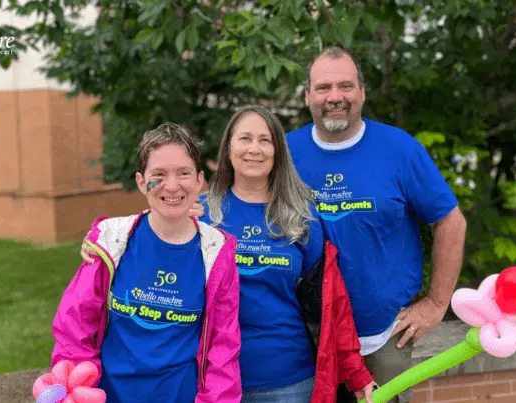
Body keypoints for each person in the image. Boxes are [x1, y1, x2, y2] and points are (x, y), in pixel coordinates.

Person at [81, 106, 378, 402]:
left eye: (265, 140)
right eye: (245, 138)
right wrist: (100, 240)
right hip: (210, 381)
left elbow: (331, 305)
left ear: (277, 151)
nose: (254, 149)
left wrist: (355, 373)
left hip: (288, 379)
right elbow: (148, 236)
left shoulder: (302, 217)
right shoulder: (199, 212)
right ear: (228, 148)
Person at [286, 46, 468, 403]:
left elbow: (451, 222)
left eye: (346, 86)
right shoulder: (284, 153)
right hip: (306, 336)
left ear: (362, 93)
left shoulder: (400, 149)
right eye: (323, 88)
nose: (334, 97)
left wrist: (435, 302)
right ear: (307, 95)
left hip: (382, 338)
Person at [52, 123, 242, 403]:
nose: (172, 185)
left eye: (184, 173)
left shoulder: (217, 252)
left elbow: (223, 346)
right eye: (159, 175)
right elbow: (76, 328)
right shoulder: (111, 241)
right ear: (141, 182)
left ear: (200, 181)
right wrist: (75, 389)